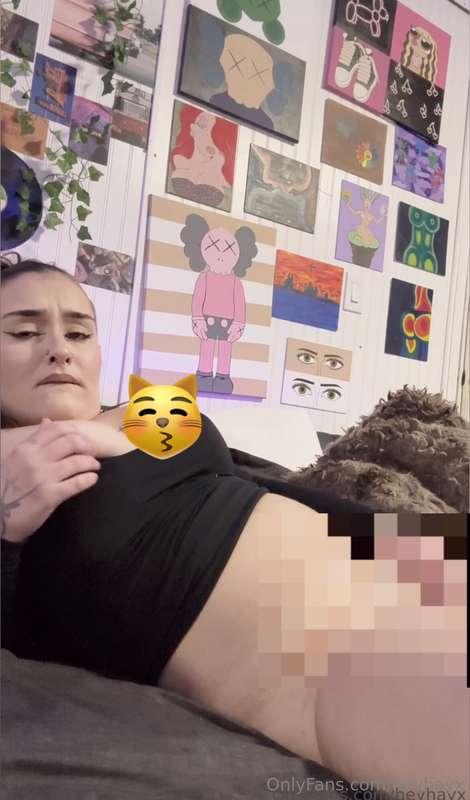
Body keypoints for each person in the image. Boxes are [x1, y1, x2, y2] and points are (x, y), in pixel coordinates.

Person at [1, 258, 468, 791]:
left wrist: (430, 544)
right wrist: (8, 533)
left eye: (79, 332)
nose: (59, 348)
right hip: (337, 663)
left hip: (412, 577)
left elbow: (255, 487)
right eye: (25, 332)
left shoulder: (145, 407)